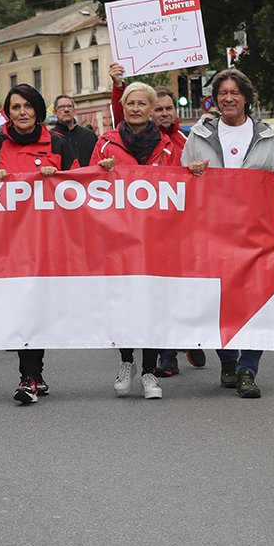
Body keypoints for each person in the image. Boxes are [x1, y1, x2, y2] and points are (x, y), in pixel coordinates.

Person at [183, 70, 274, 398]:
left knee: (254, 302)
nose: (228, 98)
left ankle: (248, 369)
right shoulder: (199, 135)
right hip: (212, 234)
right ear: (215, 98)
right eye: (222, 92)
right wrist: (192, 174)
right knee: (218, 302)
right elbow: (182, 182)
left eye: (234, 92)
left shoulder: (267, 137)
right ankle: (228, 360)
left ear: (246, 97)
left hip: (256, 236)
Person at [0, 84, 78, 404]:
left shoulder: (58, 143)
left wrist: (56, 177)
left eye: (28, 106)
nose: (22, 112)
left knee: (37, 305)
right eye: (15, 107)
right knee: (21, 304)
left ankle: (33, 372)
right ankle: (30, 373)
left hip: (48, 238)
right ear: (8, 112)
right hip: (7, 240)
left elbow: (80, 184)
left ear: (38, 109)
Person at [93, 81, 179, 399]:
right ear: (123, 107)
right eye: (130, 103)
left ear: (152, 108)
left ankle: (149, 372)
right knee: (125, 303)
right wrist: (98, 171)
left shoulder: (169, 147)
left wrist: (195, 172)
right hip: (119, 239)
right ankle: (126, 360)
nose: (136, 109)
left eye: (143, 104)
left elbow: (183, 188)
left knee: (153, 304)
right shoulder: (105, 144)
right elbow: (85, 182)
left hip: (157, 240)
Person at [50, 92, 98, 166]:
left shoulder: (89, 135)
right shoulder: (50, 137)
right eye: (61, 107)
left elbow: (98, 159)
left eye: (69, 106)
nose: (66, 110)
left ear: (74, 111)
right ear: (55, 112)